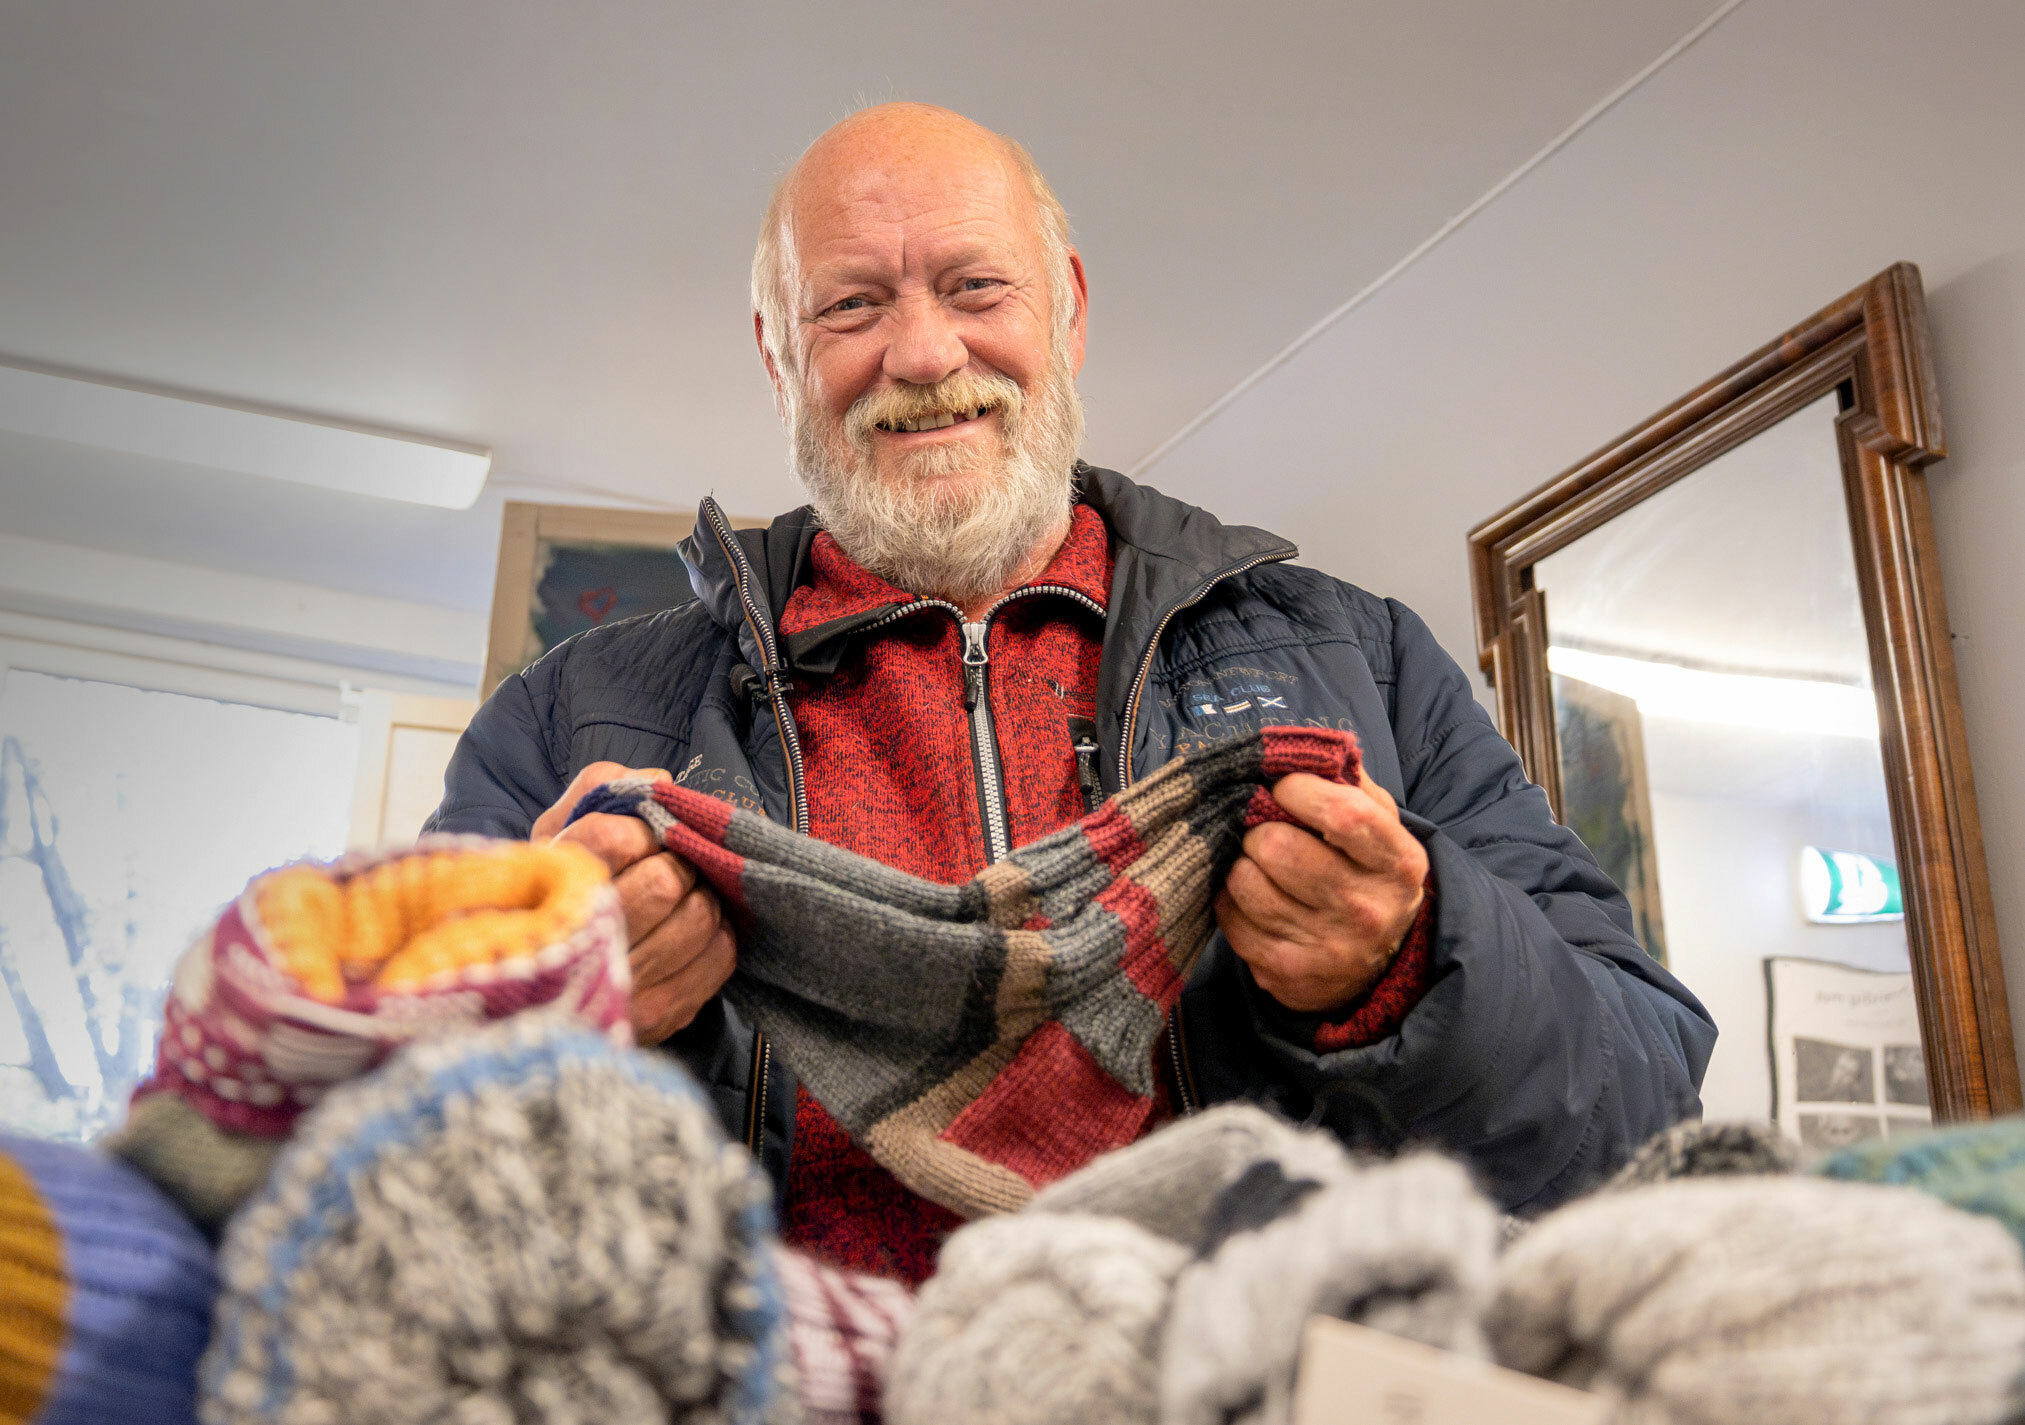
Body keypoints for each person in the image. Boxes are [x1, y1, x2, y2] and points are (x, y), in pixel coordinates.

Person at [429, 102, 1713, 1281]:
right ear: (778, 356)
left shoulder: (1359, 660)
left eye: (976, 287)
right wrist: (555, 1019)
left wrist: (1410, 966)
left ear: (1069, 311)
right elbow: (390, 1169)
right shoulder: (572, 720)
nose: (923, 352)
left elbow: (1640, 1109)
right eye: (850, 306)